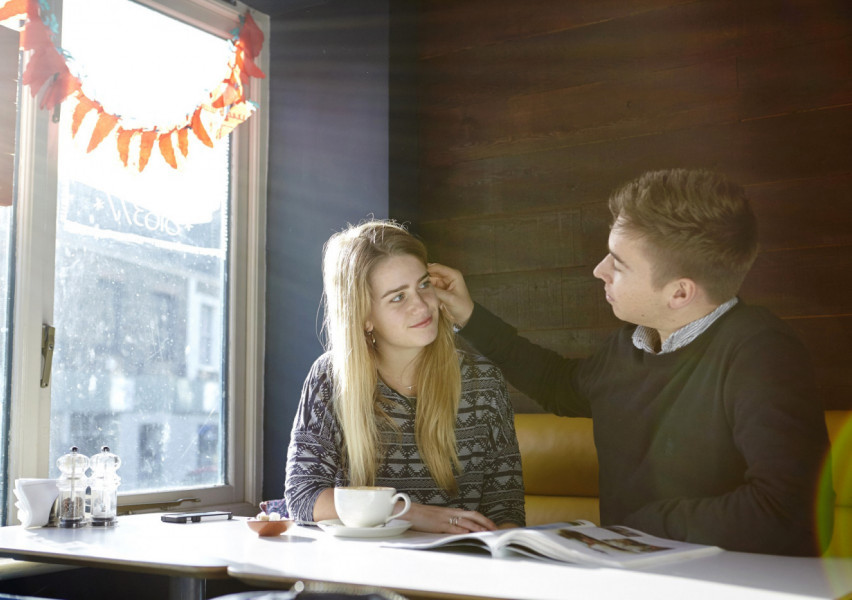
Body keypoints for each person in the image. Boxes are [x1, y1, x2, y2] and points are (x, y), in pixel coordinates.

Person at [429, 168, 834, 555]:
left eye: (618, 263)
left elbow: (791, 513)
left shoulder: (762, 352)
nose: (599, 270)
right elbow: (557, 384)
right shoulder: (630, 345)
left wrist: (637, 528)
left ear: (679, 293)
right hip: (634, 575)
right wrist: (469, 316)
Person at [284, 220, 525, 533]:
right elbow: (303, 496)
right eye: (398, 297)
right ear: (365, 317)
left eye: (423, 285)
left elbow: (507, 509)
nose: (422, 306)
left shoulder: (484, 382)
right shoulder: (330, 378)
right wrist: (412, 514)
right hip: (365, 562)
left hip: (459, 561)